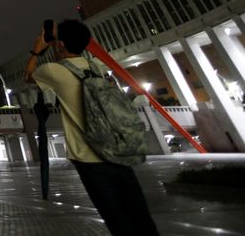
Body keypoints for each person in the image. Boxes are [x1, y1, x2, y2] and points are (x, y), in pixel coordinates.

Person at [24, 19, 159, 236]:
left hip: (89, 158)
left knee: (116, 219)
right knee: (140, 215)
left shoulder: (54, 70)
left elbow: (28, 76)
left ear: (60, 45)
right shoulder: (94, 68)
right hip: (118, 152)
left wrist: (37, 49)